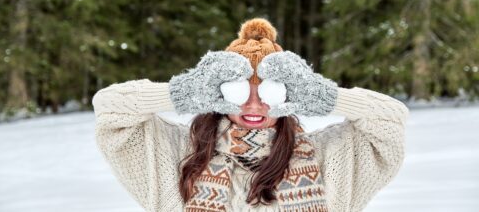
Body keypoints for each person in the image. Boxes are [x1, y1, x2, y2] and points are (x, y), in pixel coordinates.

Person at [92, 18, 409, 212]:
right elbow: (109, 109)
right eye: (241, 91)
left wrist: (326, 97)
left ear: (289, 94)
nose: (254, 106)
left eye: (268, 92)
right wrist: (182, 92)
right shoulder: (181, 155)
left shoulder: (331, 158)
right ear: (219, 93)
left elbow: (391, 121)